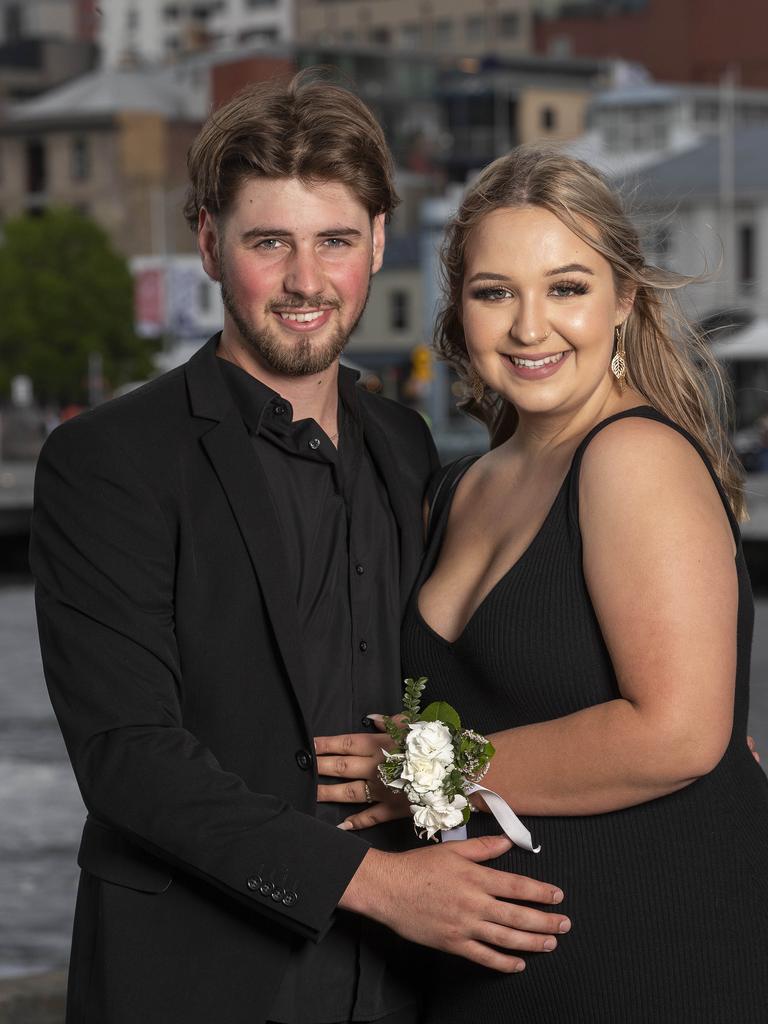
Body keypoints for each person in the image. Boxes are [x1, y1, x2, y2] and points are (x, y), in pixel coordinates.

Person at [30, 78, 570, 1024]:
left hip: (402, 979)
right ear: (207, 241)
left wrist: (687, 741)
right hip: (196, 978)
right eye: (267, 241)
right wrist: (375, 884)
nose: (307, 281)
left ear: (376, 240)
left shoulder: (406, 445)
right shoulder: (106, 458)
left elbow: (480, 665)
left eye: (334, 240)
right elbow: (128, 757)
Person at [326, 147, 768, 1021]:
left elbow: (679, 737)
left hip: (654, 958)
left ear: (623, 301)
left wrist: (421, 773)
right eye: (496, 292)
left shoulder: (633, 458)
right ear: (460, 310)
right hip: (493, 972)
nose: (532, 328)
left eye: (567, 287)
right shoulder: (458, 488)